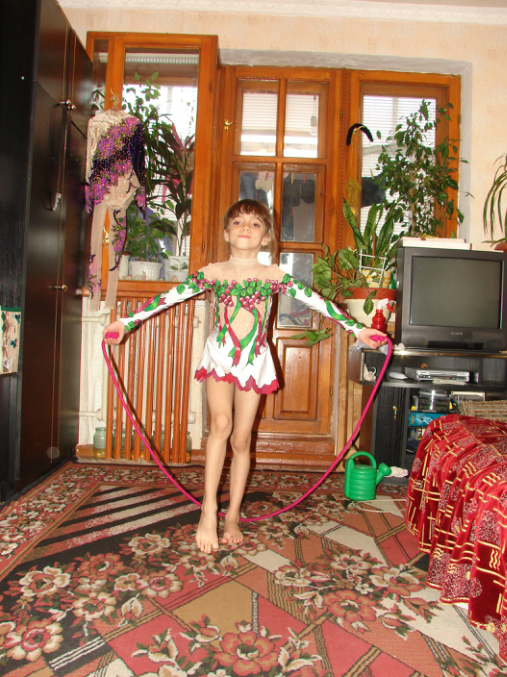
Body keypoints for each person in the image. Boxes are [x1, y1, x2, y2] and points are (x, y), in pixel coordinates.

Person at [103, 199, 387, 554]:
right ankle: (209, 510)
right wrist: (126, 323)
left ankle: (233, 514)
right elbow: (169, 297)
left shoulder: (274, 276)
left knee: (241, 440)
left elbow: (318, 302)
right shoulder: (212, 272)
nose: (245, 228)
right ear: (226, 233)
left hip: (253, 362)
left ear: (266, 237)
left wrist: (359, 329)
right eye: (238, 222)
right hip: (221, 358)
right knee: (220, 424)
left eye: (255, 223)